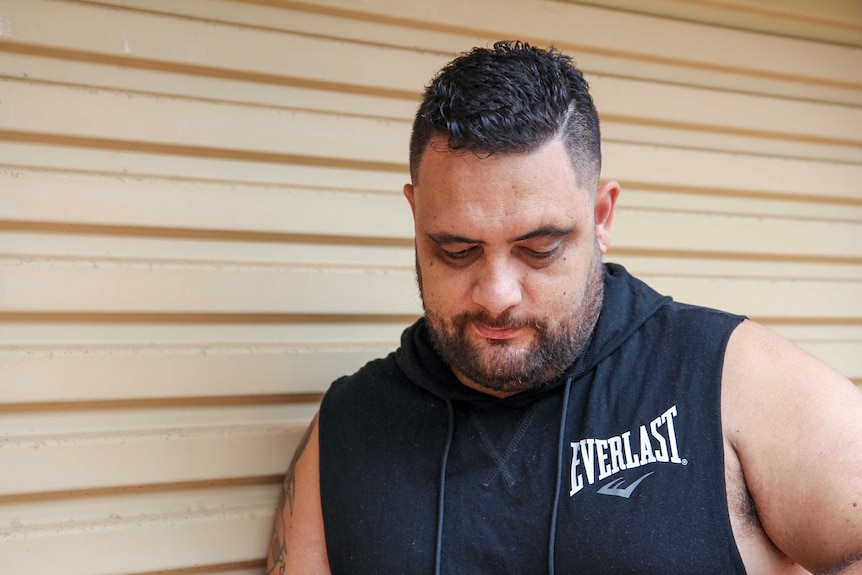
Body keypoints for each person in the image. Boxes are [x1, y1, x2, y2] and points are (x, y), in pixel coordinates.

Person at [266, 41, 862, 574]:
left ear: (601, 218)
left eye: (539, 249)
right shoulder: (349, 423)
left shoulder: (728, 377)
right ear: (416, 217)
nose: (496, 293)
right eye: (456, 250)